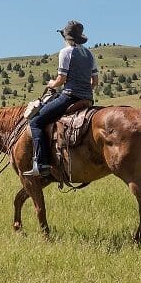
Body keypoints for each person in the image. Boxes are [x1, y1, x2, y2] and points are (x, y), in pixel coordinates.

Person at [23, 21, 99, 178]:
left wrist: (52, 83)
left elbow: (61, 79)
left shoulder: (66, 52)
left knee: (36, 122)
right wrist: (85, 91)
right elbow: (95, 82)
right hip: (87, 99)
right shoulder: (90, 54)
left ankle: (41, 164)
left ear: (67, 37)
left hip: (69, 97)